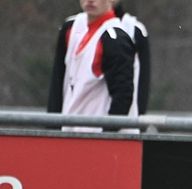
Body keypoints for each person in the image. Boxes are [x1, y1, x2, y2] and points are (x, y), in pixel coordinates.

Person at [47, 0, 136, 131]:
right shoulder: (74, 30)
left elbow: (123, 95)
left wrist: (107, 134)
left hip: (96, 134)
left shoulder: (114, 38)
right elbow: (58, 84)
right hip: (72, 131)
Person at [112, 0, 150, 115]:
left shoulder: (134, 29)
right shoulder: (73, 26)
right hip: (78, 116)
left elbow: (143, 79)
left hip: (120, 115)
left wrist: (139, 114)